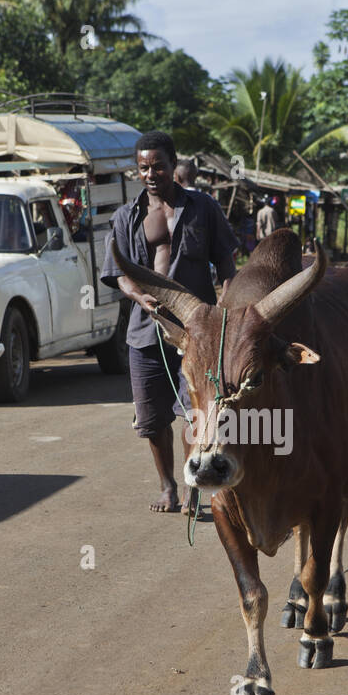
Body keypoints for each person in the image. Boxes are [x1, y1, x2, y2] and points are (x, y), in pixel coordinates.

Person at [101, 130, 239, 513]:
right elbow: (119, 273)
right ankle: (167, 487)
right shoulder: (126, 217)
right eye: (143, 167)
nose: (150, 174)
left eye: (158, 166)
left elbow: (226, 263)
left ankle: (194, 485)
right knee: (151, 418)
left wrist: (226, 301)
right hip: (145, 333)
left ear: (172, 165)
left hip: (196, 334)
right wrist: (137, 296)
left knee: (194, 413)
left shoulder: (204, 209)